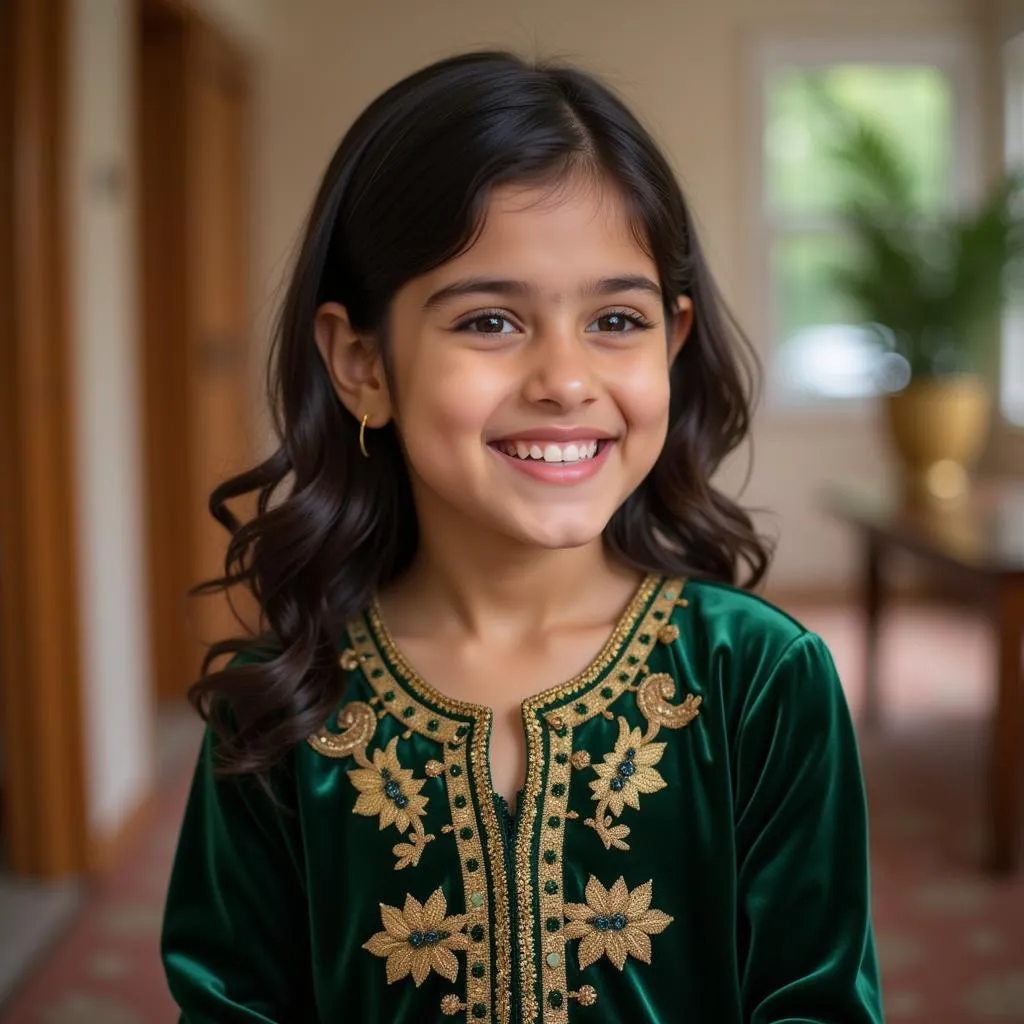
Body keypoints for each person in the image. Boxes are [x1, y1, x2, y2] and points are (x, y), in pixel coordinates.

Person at [160, 49, 884, 1024]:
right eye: (492, 320)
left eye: (615, 319)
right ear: (362, 361)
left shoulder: (756, 678)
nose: (565, 378)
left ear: (671, 343)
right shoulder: (284, 703)